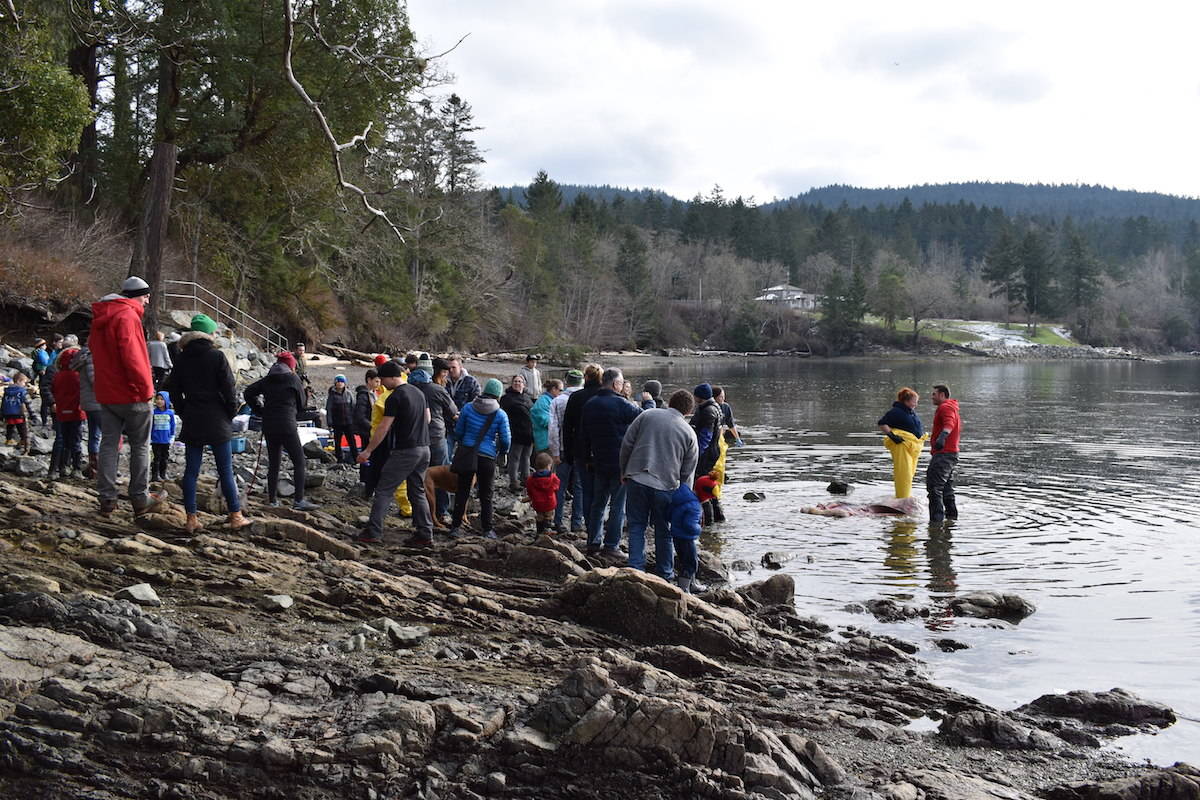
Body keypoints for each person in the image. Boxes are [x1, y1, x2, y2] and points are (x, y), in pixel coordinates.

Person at [168, 313, 250, 533]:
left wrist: (183, 412)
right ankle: (235, 515)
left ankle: (191, 518)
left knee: (191, 471)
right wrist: (229, 414)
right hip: (217, 418)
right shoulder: (217, 356)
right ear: (208, 333)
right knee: (225, 470)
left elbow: (173, 390)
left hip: (193, 416)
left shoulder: (182, 358)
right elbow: (229, 389)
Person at [90, 276, 164, 516]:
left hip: (107, 393)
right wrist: (146, 390)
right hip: (132, 393)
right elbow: (133, 358)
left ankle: (107, 499)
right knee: (140, 445)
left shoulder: (102, 317)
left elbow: (96, 352)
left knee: (109, 444)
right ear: (138, 296)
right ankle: (140, 497)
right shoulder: (128, 316)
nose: (148, 300)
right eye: (146, 296)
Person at [619, 389, 699, 575]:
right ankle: (665, 573)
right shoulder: (689, 433)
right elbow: (688, 472)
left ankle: (635, 568)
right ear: (689, 411)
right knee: (663, 532)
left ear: (670, 402)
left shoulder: (647, 415)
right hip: (666, 486)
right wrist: (684, 499)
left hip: (637, 477)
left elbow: (627, 444)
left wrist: (623, 471)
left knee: (637, 526)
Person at [356, 359, 433, 546]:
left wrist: (367, 451)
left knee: (384, 489)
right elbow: (428, 419)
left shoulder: (395, 397)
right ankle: (425, 533)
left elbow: (383, 427)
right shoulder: (418, 392)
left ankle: (373, 531)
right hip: (425, 448)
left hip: (406, 450)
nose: (381, 383)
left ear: (392, 377)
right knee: (417, 491)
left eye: (382, 379)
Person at [244, 350, 319, 511]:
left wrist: (259, 410)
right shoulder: (293, 379)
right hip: (287, 423)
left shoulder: (268, 379)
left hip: (269, 424)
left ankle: (272, 500)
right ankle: (298, 500)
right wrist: (305, 394)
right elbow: (302, 405)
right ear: (291, 366)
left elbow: (248, 392)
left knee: (274, 463)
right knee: (299, 460)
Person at [580, 367, 641, 556]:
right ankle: (611, 545)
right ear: (615, 384)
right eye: (621, 383)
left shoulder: (590, 404)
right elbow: (644, 417)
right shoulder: (622, 404)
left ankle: (593, 542)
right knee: (617, 506)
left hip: (598, 461)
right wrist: (649, 402)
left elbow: (584, 435)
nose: (623, 386)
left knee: (598, 503)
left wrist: (587, 458)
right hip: (619, 464)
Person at [449, 378, 511, 539]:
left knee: (462, 491)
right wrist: (501, 452)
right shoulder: (500, 414)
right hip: (487, 457)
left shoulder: (468, 408)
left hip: (468, 453)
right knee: (486, 495)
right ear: (498, 395)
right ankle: (487, 529)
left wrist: (464, 444)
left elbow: (459, 431)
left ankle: (455, 527)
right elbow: (505, 440)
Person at [409, 355, 457, 524]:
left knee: (418, 478)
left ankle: (419, 515)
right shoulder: (437, 390)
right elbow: (453, 410)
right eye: (444, 372)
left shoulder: (409, 387)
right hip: (436, 437)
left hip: (414, 438)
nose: (446, 375)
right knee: (442, 477)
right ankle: (442, 513)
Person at [561, 364, 603, 532]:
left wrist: (567, 450)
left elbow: (567, 426)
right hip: (602, 450)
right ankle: (596, 528)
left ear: (586, 377)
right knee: (601, 493)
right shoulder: (607, 396)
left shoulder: (576, 397)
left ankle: (587, 525)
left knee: (583, 490)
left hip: (580, 449)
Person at [548, 368, 584, 533]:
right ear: (581, 382)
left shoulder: (558, 400)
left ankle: (558, 520)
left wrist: (554, 452)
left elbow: (553, 428)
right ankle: (577, 522)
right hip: (581, 450)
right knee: (579, 487)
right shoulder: (586, 399)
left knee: (560, 486)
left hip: (562, 449)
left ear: (567, 382)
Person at [878, 387, 925, 499]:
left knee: (910, 473)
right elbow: (882, 423)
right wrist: (892, 436)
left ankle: (905, 496)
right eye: (914, 401)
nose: (916, 404)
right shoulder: (896, 411)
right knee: (904, 474)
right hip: (902, 446)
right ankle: (902, 498)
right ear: (906, 401)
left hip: (911, 447)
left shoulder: (910, 412)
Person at [927, 384, 961, 524]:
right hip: (951, 453)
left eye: (934, 394)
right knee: (946, 488)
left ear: (942, 395)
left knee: (934, 487)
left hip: (944, 454)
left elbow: (949, 423)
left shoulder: (945, 407)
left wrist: (943, 436)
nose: (932, 396)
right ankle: (951, 518)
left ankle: (936, 524)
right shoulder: (951, 406)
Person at [50, 348, 85, 479]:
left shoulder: (58, 375)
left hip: (61, 411)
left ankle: (62, 467)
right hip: (77, 411)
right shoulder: (78, 375)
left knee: (63, 440)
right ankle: (76, 468)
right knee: (76, 440)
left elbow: (53, 390)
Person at [668, 481, 705, 593]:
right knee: (691, 563)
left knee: (684, 561)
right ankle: (684, 589)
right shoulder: (695, 506)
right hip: (686, 538)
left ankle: (691, 584)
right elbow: (690, 525)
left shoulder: (682, 498)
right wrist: (699, 529)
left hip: (677, 535)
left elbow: (668, 514)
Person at [499, 374, 534, 492]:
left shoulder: (527, 398)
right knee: (514, 457)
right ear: (512, 384)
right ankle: (513, 481)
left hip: (529, 432)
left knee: (526, 457)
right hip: (516, 431)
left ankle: (526, 479)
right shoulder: (507, 398)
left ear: (524, 384)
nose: (518, 383)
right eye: (515, 381)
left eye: (520, 382)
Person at [73, 346, 102, 478]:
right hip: (97, 403)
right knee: (109, 434)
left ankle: (94, 466)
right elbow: (96, 381)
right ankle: (103, 468)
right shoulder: (92, 359)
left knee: (94, 434)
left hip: (89, 403)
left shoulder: (83, 358)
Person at [690, 383, 723, 482]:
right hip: (711, 451)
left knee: (701, 480)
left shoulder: (708, 411)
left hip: (707, 454)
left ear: (700, 397)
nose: (694, 398)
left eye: (695, 396)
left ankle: (706, 497)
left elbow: (706, 436)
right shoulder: (710, 407)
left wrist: (696, 454)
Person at [354, 368, 380, 486]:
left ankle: (370, 480)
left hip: (372, 429)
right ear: (369, 380)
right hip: (366, 431)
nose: (378, 384)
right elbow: (359, 416)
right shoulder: (363, 396)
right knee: (366, 455)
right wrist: (372, 426)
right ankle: (365, 481)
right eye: (376, 381)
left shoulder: (374, 394)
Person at [325, 375, 358, 467]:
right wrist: (329, 422)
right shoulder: (332, 395)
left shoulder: (349, 394)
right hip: (337, 422)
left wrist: (354, 420)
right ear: (335, 383)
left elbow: (353, 407)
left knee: (352, 441)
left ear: (345, 383)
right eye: (338, 381)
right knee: (337, 441)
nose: (339, 383)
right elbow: (329, 409)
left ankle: (356, 458)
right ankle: (339, 459)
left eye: (341, 381)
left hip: (348, 422)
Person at [525, 451, 560, 537]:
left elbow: (529, 489)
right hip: (549, 502)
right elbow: (557, 486)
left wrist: (531, 497)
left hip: (537, 503)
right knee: (548, 516)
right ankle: (547, 530)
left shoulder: (531, 479)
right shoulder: (552, 477)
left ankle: (539, 531)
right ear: (548, 466)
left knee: (539, 516)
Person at [2, 373, 35, 453]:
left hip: (8, 414)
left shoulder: (7, 391)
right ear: (19, 381)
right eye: (24, 382)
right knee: (22, 429)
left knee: (10, 427)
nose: (25, 385)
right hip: (19, 414)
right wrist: (33, 415)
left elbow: (3, 403)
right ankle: (24, 443)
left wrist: (1, 414)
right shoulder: (22, 391)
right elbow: (28, 403)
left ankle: (8, 439)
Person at [531, 378, 561, 457]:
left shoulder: (550, 400)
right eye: (560, 390)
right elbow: (545, 421)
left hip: (549, 442)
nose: (561, 393)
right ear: (554, 389)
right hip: (544, 443)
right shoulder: (543, 401)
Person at [150, 390, 176, 482]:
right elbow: (150, 426)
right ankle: (154, 476)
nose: (159, 401)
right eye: (157, 399)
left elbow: (173, 425)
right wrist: (149, 438)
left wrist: (172, 436)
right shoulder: (153, 412)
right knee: (156, 458)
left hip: (166, 440)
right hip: (155, 440)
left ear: (166, 401)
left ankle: (163, 474)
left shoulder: (170, 413)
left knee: (164, 458)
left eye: (162, 399)